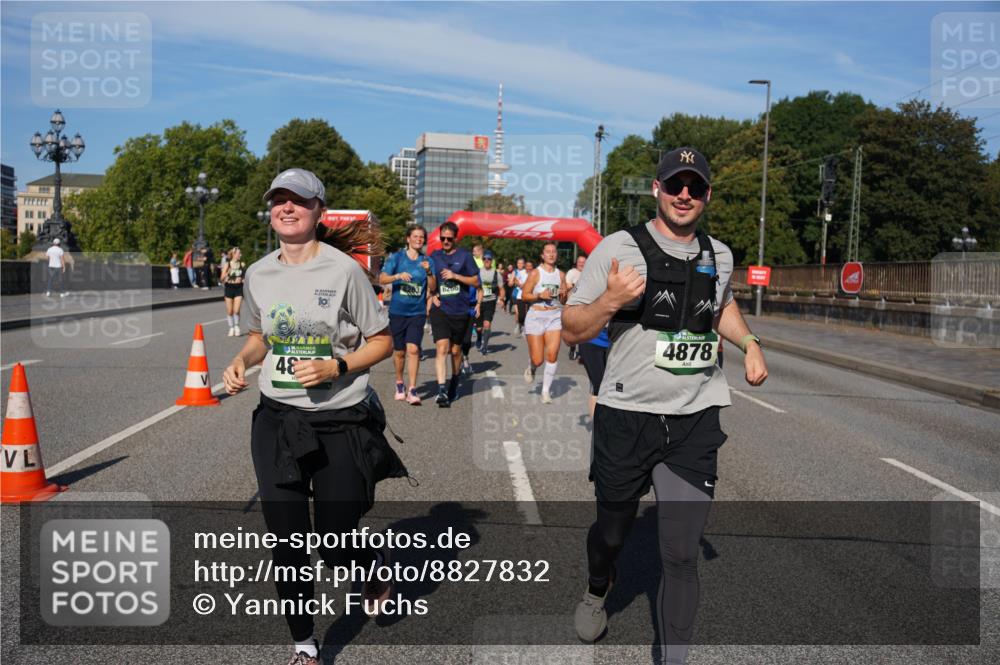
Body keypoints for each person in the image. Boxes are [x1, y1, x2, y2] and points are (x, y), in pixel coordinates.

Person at [562, 147, 768, 663]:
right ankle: (596, 585)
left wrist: (750, 344)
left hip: (695, 417)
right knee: (612, 532)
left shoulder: (719, 254)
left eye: (694, 187)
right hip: (627, 416)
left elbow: (720, 307)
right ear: (656, 189)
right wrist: (609, 301)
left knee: (679, 554)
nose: (684, 195)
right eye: (674, 185)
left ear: (706, 195)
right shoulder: (618, 247)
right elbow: (572, 326)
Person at [222, 168, 404, 665]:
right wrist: (243, 359)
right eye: (278, 200)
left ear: (319, 210)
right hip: (278, 421)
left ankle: (368, 564)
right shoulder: (259, 272)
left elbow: (383, 341)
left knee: (334, 542)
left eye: (298, 201)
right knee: (287, 542)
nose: (287, 208)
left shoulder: (344, 270)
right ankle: (304, 644)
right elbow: (261, 334)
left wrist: (336, 365)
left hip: (339, 420)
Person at [379, 225, 436, 405]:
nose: (419, 239)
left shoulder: (427, 261)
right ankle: (399, 383)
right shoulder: (396, 258)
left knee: (413, 349)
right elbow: (381, 279)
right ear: (408, 239)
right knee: (399, 352)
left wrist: (428, 272)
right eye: (415, 236)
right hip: (397, 312)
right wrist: (397, 276)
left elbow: (433, 288)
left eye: (421, 237)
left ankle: (412, 389)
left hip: (417, 312)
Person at [428, 221, 479, 407]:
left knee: (456, 351)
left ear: (455, 238)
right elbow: (433, 284)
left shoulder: (465, 256)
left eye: (449, 238)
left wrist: (455, 276)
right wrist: (432, 291)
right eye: (443, 238)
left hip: (460, 310)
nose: (446, 241)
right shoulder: (434, 256)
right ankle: (441, 390)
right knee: (442, 348)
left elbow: (475, 281)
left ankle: (455, 381)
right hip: (441, 309)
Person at [521, 243, 566, 404]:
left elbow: (564, 299)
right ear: (542, 255)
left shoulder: (561, 275)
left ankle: (545, 392)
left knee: (552, 355)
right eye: (548, 252)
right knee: (539, 359)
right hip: (536, 316)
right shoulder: (535, 273)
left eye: (554, 252)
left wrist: (563, 294)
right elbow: (524, 296)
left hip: (554, 316)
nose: (551, 254)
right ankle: (532, 366)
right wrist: (540, 295)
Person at [475, 251, 505, 355]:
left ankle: (485, 345)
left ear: (492, 261)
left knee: (487, 324)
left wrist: (501, 299)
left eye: (489, 259)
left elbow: (501, 288)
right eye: (485, 259)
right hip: (478, 302)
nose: (487, 261)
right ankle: (479, 338)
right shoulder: (477, 272)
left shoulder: (497, 274)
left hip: (490, 301)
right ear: (482, 260)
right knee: (479, 327)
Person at [565, 255, 587, 360]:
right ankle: (573, 347)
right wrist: (574, 285)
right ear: (576, 263)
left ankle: (583, 352)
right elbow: (567, 285)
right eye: (580, 262)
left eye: (584, 262)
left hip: (586, 304)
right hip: (573, 304)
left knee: (584, 329)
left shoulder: (590, 271)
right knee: (575, 329)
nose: (582, 264)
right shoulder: (572, 272)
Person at [220, 246, 245, 336]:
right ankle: (231, 327)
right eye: (239, 253)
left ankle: (237, 326)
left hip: (239, 288)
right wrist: (227, 273)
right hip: (229, 288)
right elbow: (221, 278)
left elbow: (244, 277)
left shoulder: (242, 265)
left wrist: (242, 280)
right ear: (234, 254)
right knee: (230, 311)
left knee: (236, 310)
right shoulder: (228, 264)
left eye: (240, 253)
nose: (240, 255)